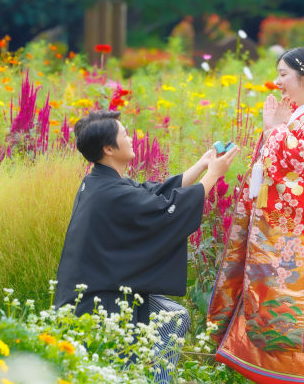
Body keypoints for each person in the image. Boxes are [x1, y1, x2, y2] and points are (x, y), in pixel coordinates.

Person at [207, 47, 304, 384]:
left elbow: (295, 164)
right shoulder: (298, 120)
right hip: (286, 226)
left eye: (283, 75)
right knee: (268, 295)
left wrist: (273, 129)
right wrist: (275, 129)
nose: (277, 83)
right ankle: (265, 366)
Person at [54, 110, 239, 382]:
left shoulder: (100, 181)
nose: (131, 138)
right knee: (137, 350)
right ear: (108, 148)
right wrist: (213, 176)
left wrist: (202, 165)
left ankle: (155, 378)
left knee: (174, 316)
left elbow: (152, 194)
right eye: (124, 134)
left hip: (98, 287)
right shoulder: (112, 193)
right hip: (99, 301)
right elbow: (165, 211)